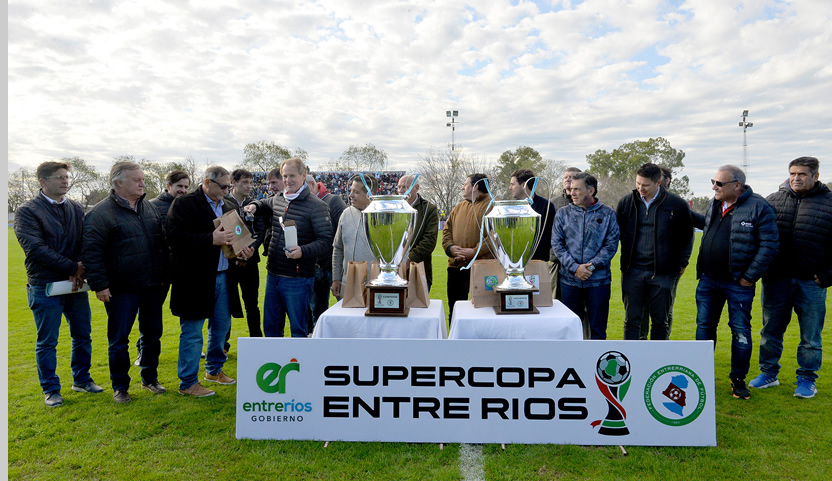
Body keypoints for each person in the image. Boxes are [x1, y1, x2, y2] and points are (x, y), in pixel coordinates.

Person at [14, 161, 103, 407]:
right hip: (45, 285)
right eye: (59, 177)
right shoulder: (27, 211)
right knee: (47, 341)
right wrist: (72, 267)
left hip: (75, 285)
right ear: (42, 182)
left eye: (66, 177)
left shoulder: (75, 208)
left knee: (83, 335)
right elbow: (35, 248)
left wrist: (81, 265)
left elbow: (86, 240)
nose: (65, 181)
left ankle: (82, 380)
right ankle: (51, 389)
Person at [83, 161, 169, 403]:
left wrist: (164, 275)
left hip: (152, 285)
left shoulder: (149, 208)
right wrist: (100, 285)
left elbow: (161, 244)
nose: (142, 182)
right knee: (119, 339)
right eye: (136, 179)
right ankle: (120, 387)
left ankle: (150, 379)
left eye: (142, 178)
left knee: (152, 334)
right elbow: (92, 253)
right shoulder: (100, 213)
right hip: (121, 289)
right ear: (118, 182)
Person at [167, 166, 254, 397]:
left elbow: (238, 236)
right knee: (193, 331)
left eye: (229, 187)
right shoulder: (185, 204)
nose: (227, 190)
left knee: (221, 327)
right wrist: (210, 239)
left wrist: (244, 250)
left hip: (225, 277)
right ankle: (187, 382)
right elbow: (173, 238)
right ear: (207, 182)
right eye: (223, 186)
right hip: (194, 279)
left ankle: (214, 370)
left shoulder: (228, 206)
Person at [749, 156, 832, 398]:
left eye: (802, 174)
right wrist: (762, 267)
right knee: (770, 330)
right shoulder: (773, 201)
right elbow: (756, 237)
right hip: (776, 280)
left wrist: (827, 276)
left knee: (810, 336)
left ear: (815, 176)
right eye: (793, 173)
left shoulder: (829, 203)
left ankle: (807, 379)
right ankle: (768, 373)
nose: (796, 178)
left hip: (812, 283)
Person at [695, 165, 779, 400]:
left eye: (719, 183)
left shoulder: (760, 207)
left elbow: (770, 246)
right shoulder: (715, 203)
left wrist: (749, 276)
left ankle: (738, 379)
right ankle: (700, 374)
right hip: (708, 281)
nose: (714, 187)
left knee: (740, 331)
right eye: (713, 181)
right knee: (704, 328)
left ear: (737, 186)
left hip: (738, 284)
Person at [244, 157, 333, 337]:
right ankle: (273, 364)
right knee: (271, 328)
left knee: (298, 330)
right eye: (285, 176)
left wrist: (303, 251)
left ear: (303, 175)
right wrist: (254, 205)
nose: (287, 180)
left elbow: (325, 241)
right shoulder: (279, 199)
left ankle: (299, 364)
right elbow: (264, 203)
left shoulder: (317, 206)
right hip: (273, 275)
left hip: (298, 279)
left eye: (292, 175)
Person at [616, 163, 693, 340]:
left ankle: (658, 362)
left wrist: (683, 262)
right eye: (638, 183)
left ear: (658, 182)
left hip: (664, 274)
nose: (640, 188)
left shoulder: (677, 205)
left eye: (645, 185)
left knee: (660, 322)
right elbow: (616, 233)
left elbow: (687, 236)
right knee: (632, 321)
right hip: (633, 271)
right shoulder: (626, 203)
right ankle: (633, 360)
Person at [552, 172, 619, 340]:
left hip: (599, 282)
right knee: (571, 331)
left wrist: (590, 267)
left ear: (591, 190)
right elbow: (557, 245)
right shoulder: (562, 214)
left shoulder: (608, 214)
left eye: (577, 189)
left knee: (598, 331)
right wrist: (575, 268)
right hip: (569, 282)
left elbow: (611, 246)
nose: (572, 193)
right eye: (571, 189)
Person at [134, 169, 190, 366]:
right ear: (168, 186)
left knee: (189, 310)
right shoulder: (152, 207)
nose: (183, 190)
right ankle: (142, 350)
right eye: (179, 186)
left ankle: (191, 346)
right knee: (151, 315)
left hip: (184, 270)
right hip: (161, 271)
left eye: (186, 187)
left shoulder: (188, 206)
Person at [442, 173, 494, 322]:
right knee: (455, 311)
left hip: (480, 268)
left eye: (465, 184)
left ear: (476, 186)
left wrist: (474, 251)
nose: (462, 187)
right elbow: (446, 231)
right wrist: (451, 248)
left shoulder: (492, 206)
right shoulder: (459, 206)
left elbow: (494, 235)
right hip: (455, 267)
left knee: (481, 313)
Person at [225, 168, 267, 345]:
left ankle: (256, 341)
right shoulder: (223, 202)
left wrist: (251, 249)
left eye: (250, 182)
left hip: (250, 261)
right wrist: (236, 251)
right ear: (233, 183)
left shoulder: (254, 204)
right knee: (225, 305)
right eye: (245, 183)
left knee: (252, 304)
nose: (249, 186)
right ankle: (223, 344)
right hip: (228, 263)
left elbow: (261, 230)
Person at [307, 174, 346, 332]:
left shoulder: (334, 201)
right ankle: (320, 348)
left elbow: (344, 231)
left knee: (343, 308)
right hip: (315, 266)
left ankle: (346, 343)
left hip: (333, 266)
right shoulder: (305, 203)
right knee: (318, 312)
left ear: (311, 184)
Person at [331, 174, 379, 299]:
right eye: (351, 191)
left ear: (370, 194)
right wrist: (336, 278)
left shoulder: (384, 217)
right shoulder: (346, 214)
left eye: (356, 192)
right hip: (348, 285)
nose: (350, 195)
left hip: (375, 285)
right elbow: (338, 248)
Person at [397, 174, 439, 291]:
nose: (400, 190)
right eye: (399, 187)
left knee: (418, 308)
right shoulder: (392, 207)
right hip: (394, 271)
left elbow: (429, 241)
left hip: (419, 271)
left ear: (417, 188)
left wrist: (409, 259)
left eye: (405, 187)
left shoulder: (429, 209)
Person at [509, 169, 556, 262]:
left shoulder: (546, 206)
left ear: (523, 185)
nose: (510, 188)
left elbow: (548, 236)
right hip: (515, 262)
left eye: (513, 184)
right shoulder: (511, 208)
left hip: (538, 262)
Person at [549, 167, 582, 300]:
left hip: (580, 262)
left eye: (571, 177)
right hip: (557, 261)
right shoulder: (554, 203)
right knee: (556, 301)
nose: (567, 179)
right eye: (565, 177)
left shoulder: (586, 203)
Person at [261, 167, 284, 256]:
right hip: (273, 256)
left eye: (274, 183)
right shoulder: (268, 203)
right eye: (270, 183)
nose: (271, 187)